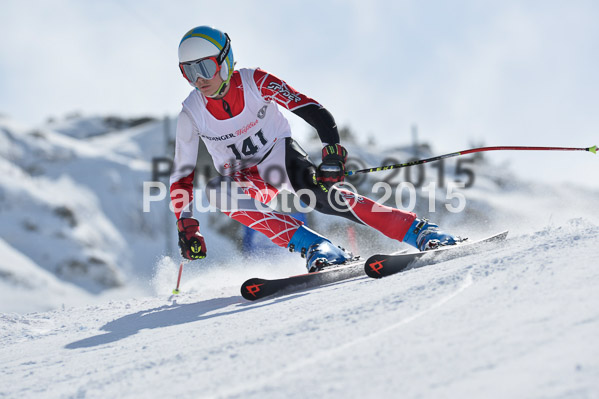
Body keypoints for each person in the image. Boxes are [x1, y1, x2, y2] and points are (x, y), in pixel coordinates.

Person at [169, 26, 458, 272]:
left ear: (225, 60)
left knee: (321, 197)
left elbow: (313, 110)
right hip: (245, 178)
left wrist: (332, 152)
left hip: (278, 158)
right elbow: (182, 175)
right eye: (189, 71)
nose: (199, 79)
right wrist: (186, 223)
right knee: (217, 191)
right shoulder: (191, 113)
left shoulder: (255, 81)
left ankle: (419, 230)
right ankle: (317, 247)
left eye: (205, 67)